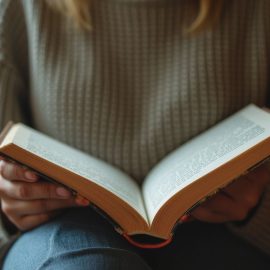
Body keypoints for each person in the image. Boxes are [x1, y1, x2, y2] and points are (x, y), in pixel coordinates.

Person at [0, 0, 270, 269]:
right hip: (64, 230)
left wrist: (259, 208)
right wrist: (10, 203)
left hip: (223, 231)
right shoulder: (21, 8)